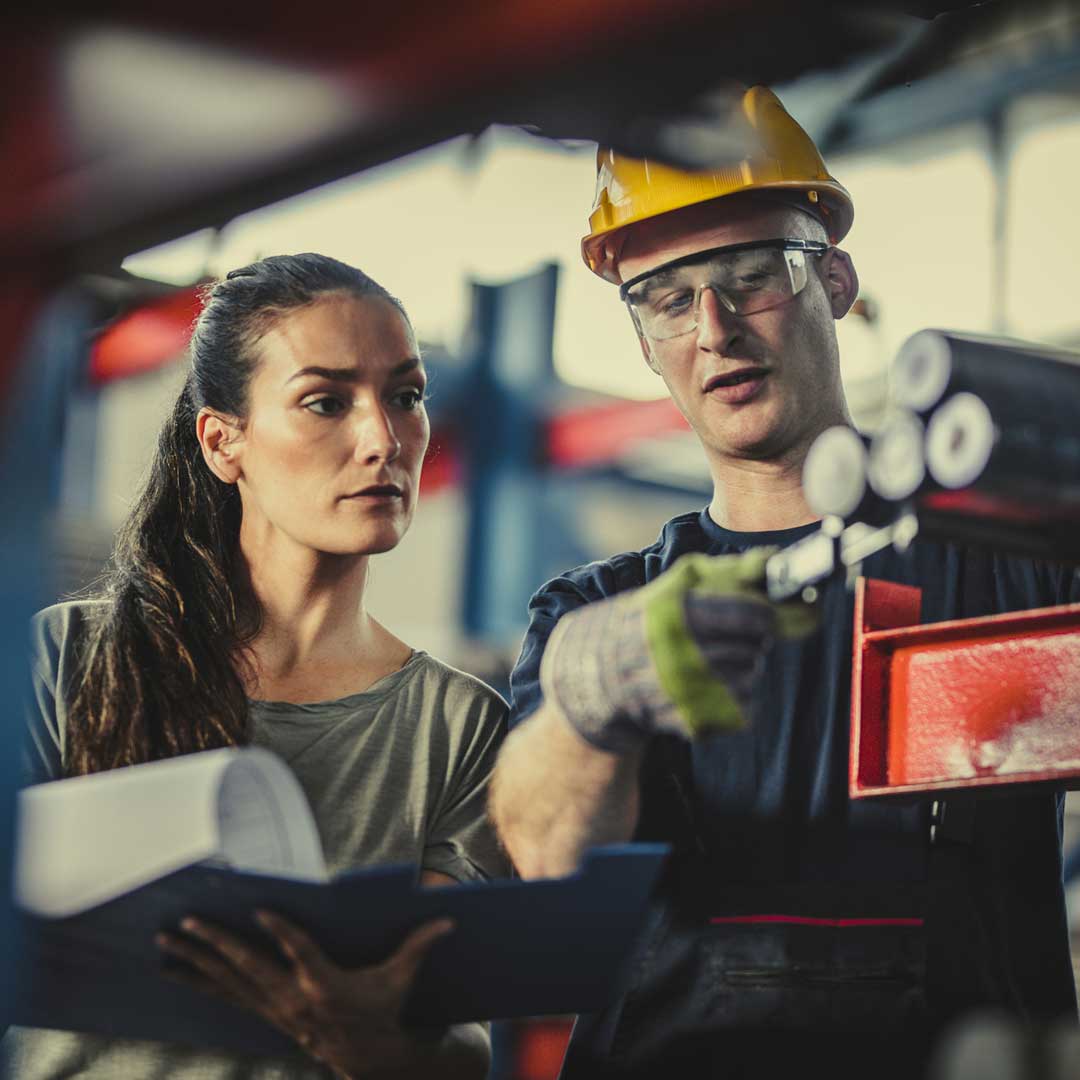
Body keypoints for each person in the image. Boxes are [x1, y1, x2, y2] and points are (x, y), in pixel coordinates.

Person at [490, 86, 1079, 1079]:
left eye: (750, 276)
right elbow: (543, 861)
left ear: (835, 281)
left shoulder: (1011, 560)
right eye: (668, 301)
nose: (714, 329)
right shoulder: (598, 611)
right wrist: (592, 707)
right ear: (642, 341)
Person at [5, 253, 508, 1079]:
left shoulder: (460, 727)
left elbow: (455, 1042)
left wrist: (364, 1037)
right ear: (224, 441)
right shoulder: (70, 659)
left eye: (406, 395)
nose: (383, 438)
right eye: (325, 401)